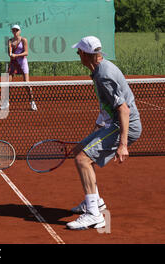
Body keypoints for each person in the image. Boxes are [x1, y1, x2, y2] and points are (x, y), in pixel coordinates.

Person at [66, 36, 142, 230]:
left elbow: (123, 109)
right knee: (81, 151)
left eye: (78, 52)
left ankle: (94, 215)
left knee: (83, 160)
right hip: (115, 123)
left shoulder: (103, 75)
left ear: (85, 54)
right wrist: (89, 138)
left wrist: (123, 145)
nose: (78, 56)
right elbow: (107, 109)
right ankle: (95, 201)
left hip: (125, 126)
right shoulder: (100, 70)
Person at [3, 24, 37, 111]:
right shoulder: (10, 41)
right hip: (13, 63)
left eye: (16, 30)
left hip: (22, 63)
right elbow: (9, 53)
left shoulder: (24, 40)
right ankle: (6, 102)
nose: (15, 32)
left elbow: (26, 53)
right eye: (13, 30)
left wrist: (17, 55)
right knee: (7, 83)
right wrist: (11, 55)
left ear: (20, 31)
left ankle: (32, 102)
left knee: (27, 83)